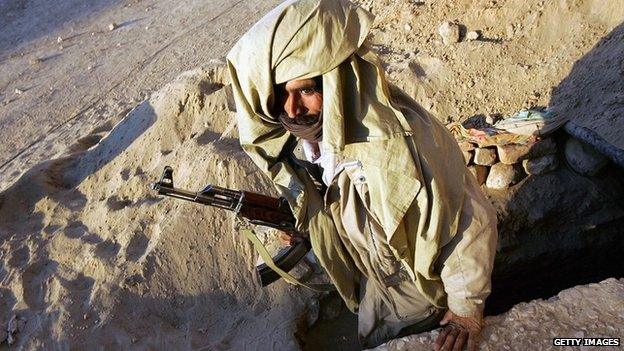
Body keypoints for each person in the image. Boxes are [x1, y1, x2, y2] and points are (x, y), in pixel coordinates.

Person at [226, 0, 498, 349]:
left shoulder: (404, 144)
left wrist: (465, 309)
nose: (291, 110)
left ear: (336, 84)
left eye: (306, 90)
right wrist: (312, 232)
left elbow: (468, 221)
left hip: (425, 305)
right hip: (374, 297)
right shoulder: (309, 146)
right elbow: (354, 218)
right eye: (280, 95)